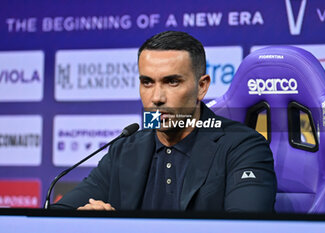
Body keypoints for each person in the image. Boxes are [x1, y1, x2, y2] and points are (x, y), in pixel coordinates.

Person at [52, 31, 277, 212]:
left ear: (202, 86)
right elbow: (59, 213)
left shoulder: (243, 146)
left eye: (172, 82)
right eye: (147, 82)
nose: (157, 98)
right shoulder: (126, 148)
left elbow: (247, 226)